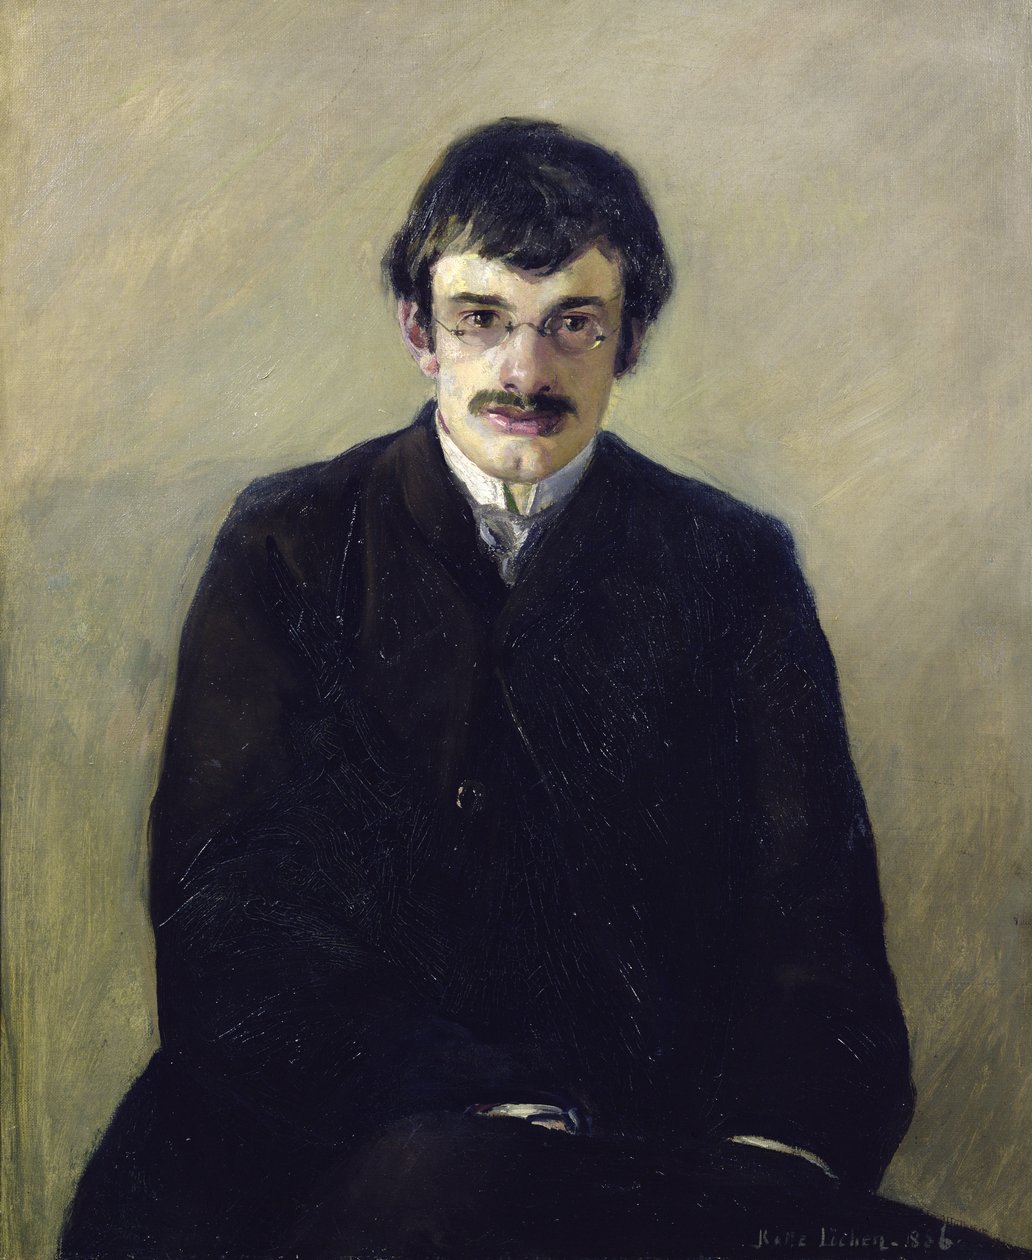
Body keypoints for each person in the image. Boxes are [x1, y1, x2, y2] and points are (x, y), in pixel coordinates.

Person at [61, 119, 1024, 1260]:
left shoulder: (731, 567)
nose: (526, 373)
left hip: (645, 1168)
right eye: (482, 320)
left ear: (630, 339)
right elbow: (231, 927)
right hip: (304, 1157)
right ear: (419, 333)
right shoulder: (291, 545)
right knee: (444, 1186)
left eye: (573, 323)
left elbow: (816, 926)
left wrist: (777, 1158)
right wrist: (476, 1101)